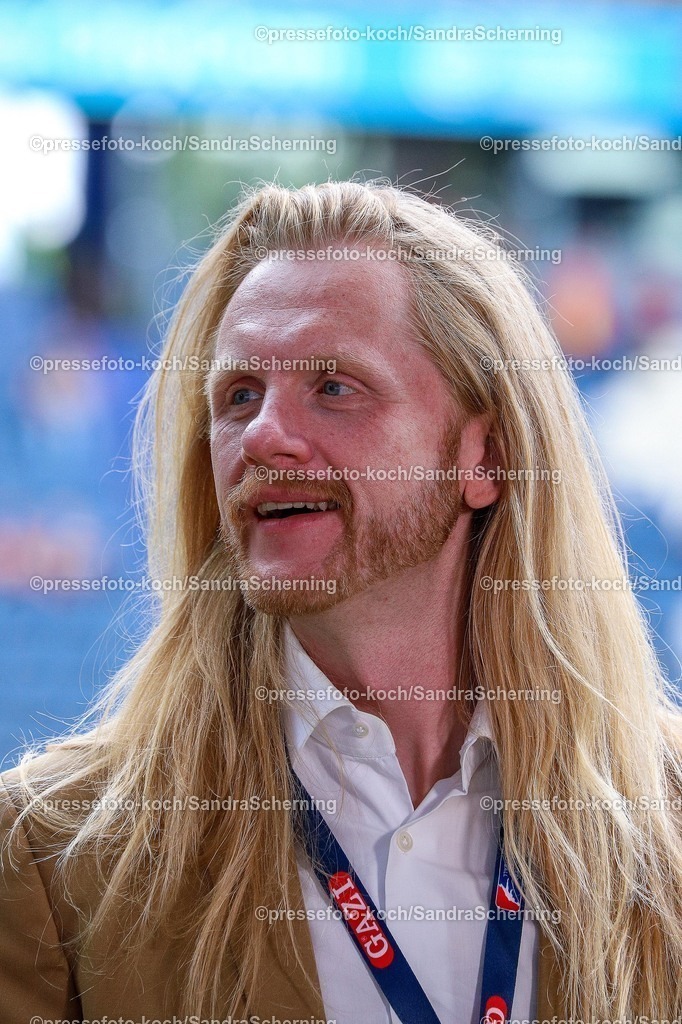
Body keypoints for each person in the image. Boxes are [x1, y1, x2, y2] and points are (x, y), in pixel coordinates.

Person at [2, 180, 681, 1024]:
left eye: (333, 387)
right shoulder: (51, 855)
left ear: (486, 456)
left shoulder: (666, 819)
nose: (262, 435)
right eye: (239, 394)